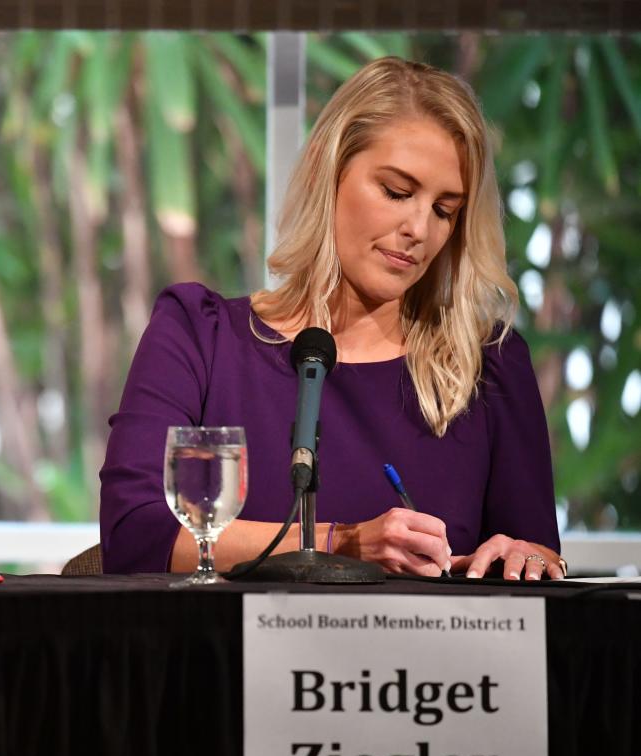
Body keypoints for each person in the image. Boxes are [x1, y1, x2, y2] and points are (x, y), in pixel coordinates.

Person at [100, 57, 563, 581]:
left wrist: (526, 559)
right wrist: (343, 543)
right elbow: (134, 536)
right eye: (397, 191)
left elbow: (537, 568)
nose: (418, 228)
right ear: (329, 170)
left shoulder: (490, 368)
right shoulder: (200, 337)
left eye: (444, 210)